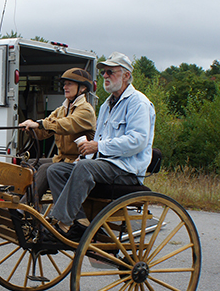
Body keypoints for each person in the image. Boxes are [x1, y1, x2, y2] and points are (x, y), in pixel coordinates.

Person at [45, 52, 156, 241]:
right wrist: (86, 155)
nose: (104, 75)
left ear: (126, 75)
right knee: (55, 170)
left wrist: (97, 147)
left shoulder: (139, 103)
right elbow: (99, 140)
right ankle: (80, 222)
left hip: (126, 170)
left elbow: (138, 141)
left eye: (110, 72)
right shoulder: (106, 105)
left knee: (85, 167)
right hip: (104, 165)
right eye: (104, 72)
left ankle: (62, 224)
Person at [19, 68, 96, 202]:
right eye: (64, 84)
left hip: (78, 162)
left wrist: (39, 123)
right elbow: (44, 131)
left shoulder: (86, 110)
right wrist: (31, 129)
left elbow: (65, 124)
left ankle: (22, 208)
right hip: (61, 158)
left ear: (82, 88)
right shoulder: (61, 109)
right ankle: (19, 199)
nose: (65, 87)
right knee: (27, 164)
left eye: (69, 84)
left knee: (45, 168)